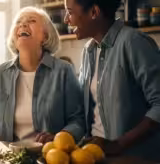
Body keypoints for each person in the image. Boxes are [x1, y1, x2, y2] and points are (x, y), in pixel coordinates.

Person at [0, 6, 84, 144]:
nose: (22, 24)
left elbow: (78, 120)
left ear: (45, 36)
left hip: (48, 156)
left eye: (32, 20)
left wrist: (61, 137)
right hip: (8, 157)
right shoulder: (0, 73)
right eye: (18, 22)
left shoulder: (63, 71)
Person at [64, 0, 160, 161]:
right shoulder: (88, 51)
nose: (66, 19)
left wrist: (119, 144)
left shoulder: (134, 43)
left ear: (94, 12)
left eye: (70, 12)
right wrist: (64, 135)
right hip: (96, 157)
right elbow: (82, 111)